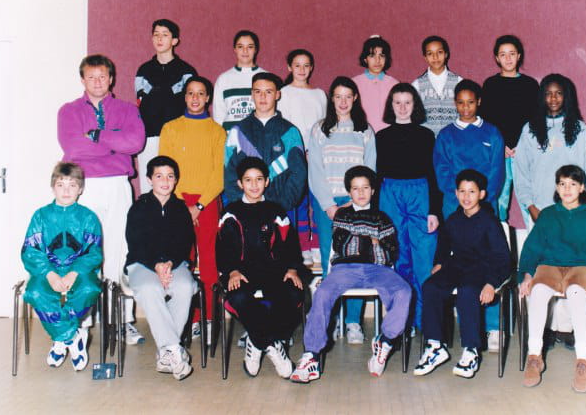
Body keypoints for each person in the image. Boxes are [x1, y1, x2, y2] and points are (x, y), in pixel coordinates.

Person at [290, 166, 411, 383]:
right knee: (323, 292)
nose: (361, 192)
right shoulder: (342, 215)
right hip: (345, 268)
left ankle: (385, 342)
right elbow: (343, 247)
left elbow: (390, 253)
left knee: (404, 291)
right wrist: (374, 242)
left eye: (365, 188)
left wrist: (362, 241)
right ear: (349, 192)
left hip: (379, 270)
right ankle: (311, 356)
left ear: (373, 190)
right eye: (355, 188)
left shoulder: (383, 218)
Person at [57, 54, 146, 345]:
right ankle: (83, 322)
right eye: (91, 77)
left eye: (102, 76)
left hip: (118, 184)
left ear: (111, 79)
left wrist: (95, 135)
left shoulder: (127, 110)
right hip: (85, 186)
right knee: (84, 252)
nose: (97, 82)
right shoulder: (69, 111)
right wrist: (113, 144)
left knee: (120, 251)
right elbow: (73, 147)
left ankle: (122, 321)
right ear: (82, 80)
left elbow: (135, 143)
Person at [518, 165, 586, 394]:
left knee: (576, 293)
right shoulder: (547, 215)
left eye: (573, 184)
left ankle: (583, 361)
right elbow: (531, 249)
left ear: (582, 188)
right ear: (556, 187)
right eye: (562, 184)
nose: (567, 189)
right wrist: (527, 274)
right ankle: (534, 356)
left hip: (582, 268)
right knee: (538, 291)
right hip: (550, 266)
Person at [513, 74, 586, 345]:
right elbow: (521, 173)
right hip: (539, 211)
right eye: (548, 93)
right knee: (542, 269)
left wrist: (580, 208)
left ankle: (567, 328)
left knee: (571, 265)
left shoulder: (580, 130)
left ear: (566, 96)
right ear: (541, 97)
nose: (553, 99)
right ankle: (544, 328)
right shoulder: (529, 130)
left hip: (572, 212)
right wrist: (531, 206)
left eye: (559, 93)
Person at [216, 157, 308, 379]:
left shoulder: (276, 211)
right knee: (238, 296)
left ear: (267, 181)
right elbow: (223, 248)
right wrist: (232, 270)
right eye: (248, 180)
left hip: (273, 272)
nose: (254, 185)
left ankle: (256, 341)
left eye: (259, 179)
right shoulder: (231, 212)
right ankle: (272, 345)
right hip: (241, 272)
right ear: (240, 184)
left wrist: (292, 268)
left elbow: (290, 244)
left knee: (294, 292)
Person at [413, 169, 510, 379]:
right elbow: (444, 243)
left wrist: (491, 283)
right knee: (431, 286)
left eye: (472, 192)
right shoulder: (453, 219)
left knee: (467, 291)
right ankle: (435, 345)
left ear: (481, 194)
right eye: (462, 192)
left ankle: (471, 351)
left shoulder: (489, 222)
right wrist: (439, 263)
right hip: (457, 265)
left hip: (482, 269)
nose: (466, 197)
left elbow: (502, 258)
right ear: (456, 193)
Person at [433, 78, 506, 350]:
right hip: (454, 204)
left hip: (484, 205)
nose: (466, 108)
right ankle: (461, 327)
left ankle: (492, 326)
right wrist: (461, 199)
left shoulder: (492, 133)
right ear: (455, 104)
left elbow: (496, 172)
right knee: (457, 264)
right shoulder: (446, 135)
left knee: (487, 263)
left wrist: (480, 201)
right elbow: (442, 171)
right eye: (461, 103)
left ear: (479, 102)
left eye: (471, 103)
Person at [308, 76, 377, 344]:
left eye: (348, 96)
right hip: (328, 204)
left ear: (355, 98)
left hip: (357, 202)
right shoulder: (319, 130)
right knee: (331, 261)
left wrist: (357, 202)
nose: (343, 102)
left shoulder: (365, 130)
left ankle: (353, 322)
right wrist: (329, 206)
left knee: (356, 259)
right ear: (332, 99)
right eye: (338, 96)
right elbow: (315, 170)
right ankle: (331, 318)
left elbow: (370, 169)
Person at [159, 75, 225, 342]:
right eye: (190, 93)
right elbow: (165, 169)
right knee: (182, 261)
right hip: (177, 201)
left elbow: (218, 176)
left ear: (208, 98)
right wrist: (181, 204)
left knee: (209, 262)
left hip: (206, 202)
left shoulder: (217, 131)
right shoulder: (171, 128)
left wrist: (198, 205)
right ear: (184, 96)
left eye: (200, 93)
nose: (195, 98)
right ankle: (189, 318)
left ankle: (208, 317)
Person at [21, 162, 103, 371]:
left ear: (81, 189)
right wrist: (50, 274)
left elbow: (94, 253)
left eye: (72, 185)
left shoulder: (88, 217)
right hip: (47, 271)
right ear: (53, 187)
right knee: (34, 292)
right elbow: (31, 251)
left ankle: (60, 338)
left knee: (89, 289)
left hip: (79, 272)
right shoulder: (41, 216)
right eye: (61, 185)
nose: (66, 191)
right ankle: (72, 337)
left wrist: (74, 273)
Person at [376, 83, 441, 334]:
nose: (402, 108)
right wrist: (377, 214)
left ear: (415, 106)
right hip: (390, 194)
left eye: (407, 102)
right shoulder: (381, 137)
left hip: (420, 194)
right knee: (399, 258)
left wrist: (434, 210)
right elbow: (377, 176)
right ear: (391, 106)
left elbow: (433, 174)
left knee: (424, 260)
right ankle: (403, 319)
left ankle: (425, 321)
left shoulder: (426, 135)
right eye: (397, 103)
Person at [125, 156, 196, 380]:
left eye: (170, 176)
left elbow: (185, 243)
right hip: (142, 263)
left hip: (174, 263)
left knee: (185, 286)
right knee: (150, 288)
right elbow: (136, 243)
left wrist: (170, 263)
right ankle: (173, 349)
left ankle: (167, 354)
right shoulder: (139, 207)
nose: (165, 181)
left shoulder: (181, 209)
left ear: (176, 180)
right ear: (149, 180)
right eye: (159, 176)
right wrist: (156, 265)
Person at [223, 72, 306, 211]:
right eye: (258, 91)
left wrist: (281, 206)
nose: (262, 97)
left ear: (277, 95)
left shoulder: (290, 132)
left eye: (268, 92)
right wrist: (242, 204)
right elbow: (229, 174)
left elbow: (298, 174)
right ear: (252, 94)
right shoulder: (237, 132)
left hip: (281, 210)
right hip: (245, 211)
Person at [479, 34, 539, 221]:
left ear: (519, 56)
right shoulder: (490, 85)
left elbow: (536, 120)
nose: (508, 58)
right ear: (496, 58)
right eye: (503, 54)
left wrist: (523, 146)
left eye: (512, 53)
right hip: (499, 153)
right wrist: (500, 146)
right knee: (499, 203)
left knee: (530, 203)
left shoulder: (530, 85)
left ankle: (535, 239)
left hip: (525, 152)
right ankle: (499, 239)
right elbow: (485, 121)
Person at [135, 18, 197, 194]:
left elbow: (191, 106)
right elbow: (141, 103)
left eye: (165, 35)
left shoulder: (186, 71)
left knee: (176, 186)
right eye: (156, 35)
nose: (159, 39)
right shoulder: (143, 71)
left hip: (179, 136)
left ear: (175, 40)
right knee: (148, 188)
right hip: (149, 138)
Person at [278, 49, 327, 265]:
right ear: (289, 67)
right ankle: (301, 246)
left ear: (312, 68)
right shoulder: (283, 93)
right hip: (292, 154)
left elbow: (323, 126)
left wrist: (314, 151)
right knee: (297, 201)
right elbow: (284, 127)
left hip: (315, 154)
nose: (302, 70)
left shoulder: (319, 95)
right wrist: (297, 152)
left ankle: (316, 243)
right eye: (297, 65)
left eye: (306, 65)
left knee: (316, 199)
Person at [213, 30, 267, 132]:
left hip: (259, 136)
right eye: (240, 46)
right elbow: (218, 117)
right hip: (231, 137)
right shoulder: (223, 79)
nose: (245, 51)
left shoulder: (267, 78)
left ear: (256, 49)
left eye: (250, 47)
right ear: (235, 49)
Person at [411, 35, 462, 136]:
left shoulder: (459, 82)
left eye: (439, 52)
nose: (435, 57)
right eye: (430, 53)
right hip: (426, 140)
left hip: (452, 139)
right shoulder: (416, 85)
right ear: (425, 57)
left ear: (446, 54)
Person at [352, 35, 399, 133]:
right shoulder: (354, 83)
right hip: (361, 134)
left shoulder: (394, 84)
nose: (377, 60)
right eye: (372, 56)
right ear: (365, 59)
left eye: (381, 56)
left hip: (388, 134)